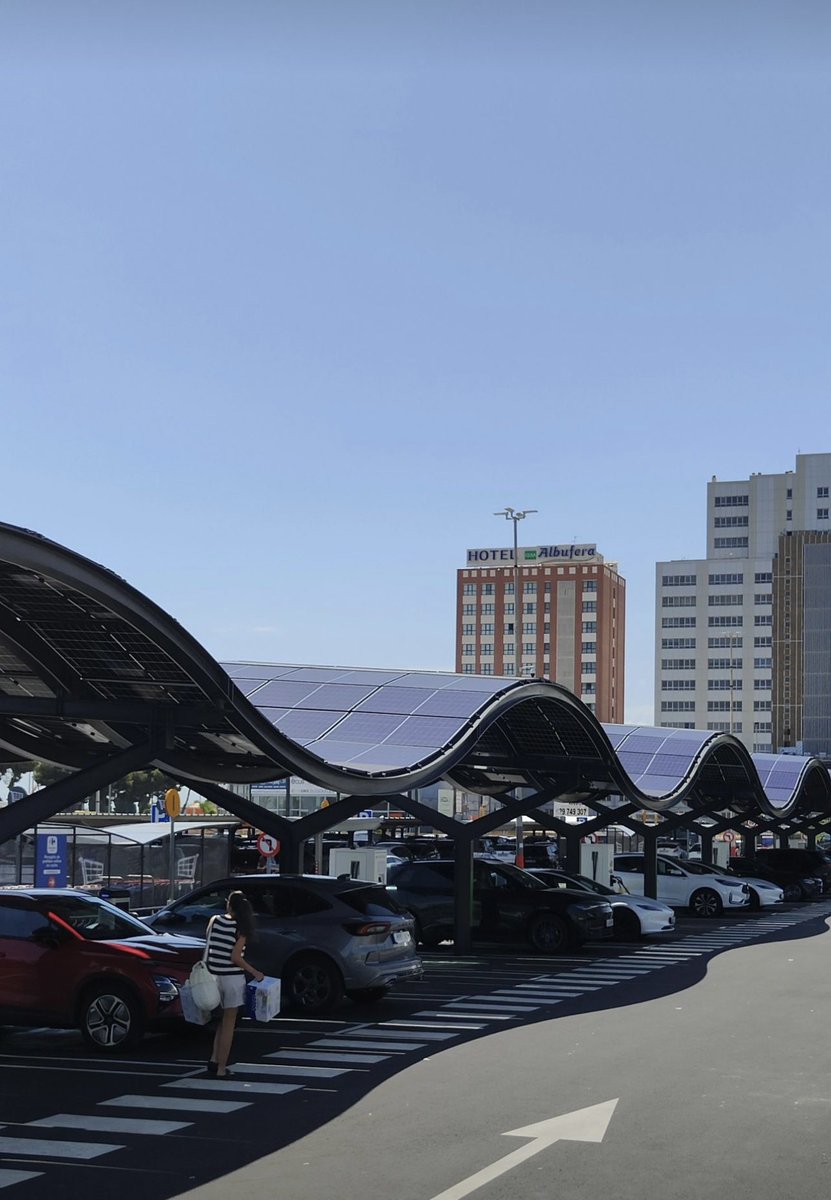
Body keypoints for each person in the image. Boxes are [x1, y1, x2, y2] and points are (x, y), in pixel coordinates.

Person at [205, 890, 264, 1078]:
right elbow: (236, 957)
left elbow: (209, 944)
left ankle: (214, 1060)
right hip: (232, 980)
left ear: (228, 904)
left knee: (220, 1021)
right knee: (228, 1025)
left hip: (213, 977)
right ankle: (222, 1068)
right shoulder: (242, 928)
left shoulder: (214, 920)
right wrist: (254, 972)